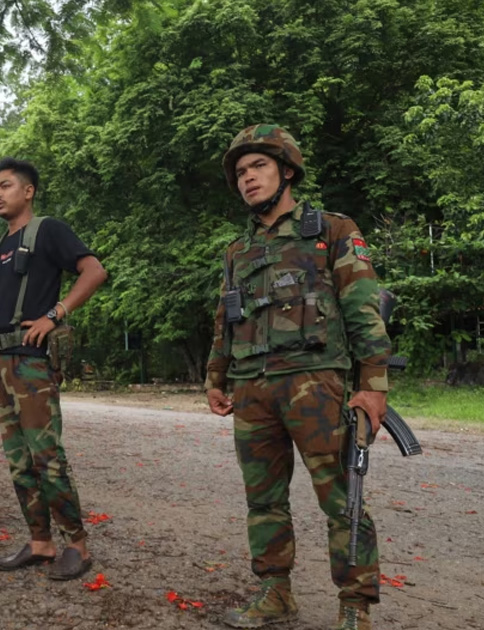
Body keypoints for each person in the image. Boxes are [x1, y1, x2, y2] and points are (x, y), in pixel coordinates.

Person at [206, 124, 391, 630]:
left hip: (316, 383)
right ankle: (275, 593)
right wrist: (216, 376)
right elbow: (226, 319)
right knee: (262, 500)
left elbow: (363, 311)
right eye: (241, 172)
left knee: (339, 496)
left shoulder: (330, 229)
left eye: (259, 167)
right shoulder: (235, 251)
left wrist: (372, 386)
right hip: (252, 388)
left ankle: (354, 605)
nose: (248, 179)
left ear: (287, 170)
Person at [0, 158, 108, 581]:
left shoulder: (48, 230)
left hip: (31, 364)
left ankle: (77, 545)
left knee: (46, 456)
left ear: (28, 191)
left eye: (6, 186)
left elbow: (95, 270)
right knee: (19, 461)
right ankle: (40, 542)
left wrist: (56, 313)